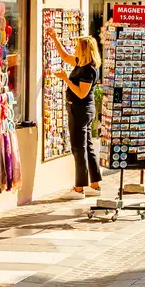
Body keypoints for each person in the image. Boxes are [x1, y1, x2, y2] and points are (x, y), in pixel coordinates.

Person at [46, 26, 102, 199]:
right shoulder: (81, 62)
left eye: (78, 46)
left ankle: (79, 188)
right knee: (87, 147)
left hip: (80, 111)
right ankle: (94, 184)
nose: (75, 48)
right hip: (81, 110)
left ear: (85, 50)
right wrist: (55, 38)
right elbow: (64, 56)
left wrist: (65, 79)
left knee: (79, 148)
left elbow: (81, 93)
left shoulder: (88, 70)